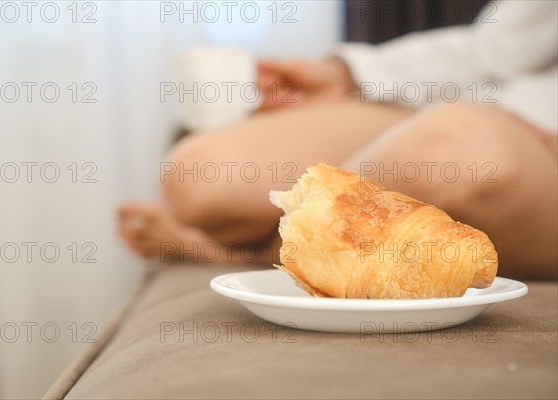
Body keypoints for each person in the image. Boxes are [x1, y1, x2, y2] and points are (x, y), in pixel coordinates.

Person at [119, 1, 557, 279]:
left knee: (451, 153)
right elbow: (503, 45)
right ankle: (288, 247)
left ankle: (244, 257)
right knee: (200, 174)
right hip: (506, 98)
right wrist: (352, 74)